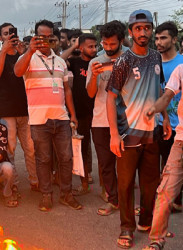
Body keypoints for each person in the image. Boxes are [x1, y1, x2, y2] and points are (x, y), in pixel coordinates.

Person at [106, 9, 170, 249]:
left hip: (152, 131)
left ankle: (145, 221)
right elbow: (110, 98)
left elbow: (159, 90)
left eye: (147, 28)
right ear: (130, 32)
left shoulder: (156, 57)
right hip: (128, 132)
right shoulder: (124, 61)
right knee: (124, 184)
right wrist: (113, 133)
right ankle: (127, 227)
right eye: (138, 28)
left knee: (150, 182)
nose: (143, 32)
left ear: (151, 30)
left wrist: (164, 117)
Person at [14, 19, 82, 211]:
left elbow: (67, 90)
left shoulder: (60, 61)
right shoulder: (27, 59)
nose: (44, 41)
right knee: (43, 159)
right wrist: (29, 50)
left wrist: (73, 115)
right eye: (40, 37)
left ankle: (66, 194)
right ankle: (46, 195)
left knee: (66, 158)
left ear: (53, 37)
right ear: (35, 38)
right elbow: (18, 72)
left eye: (48, 37)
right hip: (38, 120)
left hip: (61, 118)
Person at [0, 22, 38, 191]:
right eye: (5, 33)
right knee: (10, 150)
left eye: (11, 33)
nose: (9, 36)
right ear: (1, 37)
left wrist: (23, 53)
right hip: (7, 110)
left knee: (31, 149)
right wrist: (4, 50)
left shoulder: (22, 54)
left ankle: (35, 181)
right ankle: (13, 183)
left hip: (26, 109)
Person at [86, 20, 125, 215]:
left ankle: (128, 201)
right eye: (105, 44)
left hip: (126, 121)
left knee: (127, 164)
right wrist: (93, 76)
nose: (108, 48)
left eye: (112, 44)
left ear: (122, 40)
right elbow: (91, 94)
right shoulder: (95, 61)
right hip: (100, 120)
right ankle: (113, 200)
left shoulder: (131, 58)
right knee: (106, 164)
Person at [143, 64, 183, 250]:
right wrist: (154, 109)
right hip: (181, 142)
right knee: (165, 191)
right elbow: (167, 96)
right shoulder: (181, 70)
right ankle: (156, 241)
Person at [155, 21, 183, 213]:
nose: (159, 42)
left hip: (179, 126)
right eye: (156, 38)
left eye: (163, 38)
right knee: (161, 166)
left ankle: (175, 201)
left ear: (174, 39)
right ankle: (165, 202)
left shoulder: (181, 64)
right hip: (159, 123)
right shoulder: (152, 63)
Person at [67, 33, 97, 196]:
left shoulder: (99, 62)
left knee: (102, 150)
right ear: (81, 48)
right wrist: (73, 46)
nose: (94, 49)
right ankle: (84, 184)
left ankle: (109, 188)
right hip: (81, 113)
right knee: (82, 150)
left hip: (99, 112)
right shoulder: (74, 62)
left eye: (95, 46)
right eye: (90, 46)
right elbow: (60, 59)